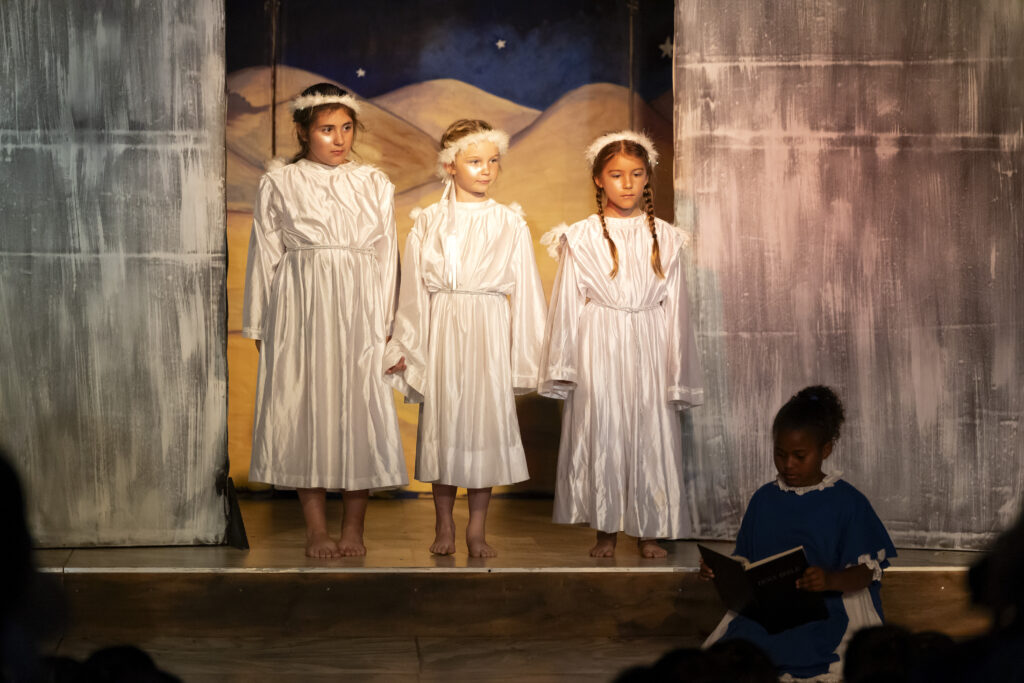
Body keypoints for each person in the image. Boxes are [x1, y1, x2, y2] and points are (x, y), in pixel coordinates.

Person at [242, 82, 407, 559]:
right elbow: (265, 256)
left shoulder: (373, 182)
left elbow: (386, 257)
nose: (339, 139)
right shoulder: (280, 182)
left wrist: (389, 325)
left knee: (360, 408)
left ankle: (354, 527)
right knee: (305, 408)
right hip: (301, 307)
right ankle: (316, 529)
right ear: (303, 131)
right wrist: (261, 326)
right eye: (327, 129)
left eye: (347, 128)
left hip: (360, 307)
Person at [383, 119, 546, 558]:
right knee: (445, 421)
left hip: (488, 329)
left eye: (493, 161)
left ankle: (477, 527)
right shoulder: (430, 221)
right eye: (475, 161)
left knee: (482, 424)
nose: (486, 169)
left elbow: (527, 291)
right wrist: (406, 343)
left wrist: (527, 352)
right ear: (449, 165)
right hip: (444, 328)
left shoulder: (508, 221)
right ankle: (444, 522)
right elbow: (414, 292)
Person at [538, 130, 703, 558]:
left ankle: (651, 530)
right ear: (599, 179)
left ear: (647, 177)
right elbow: (567, 303)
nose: (627, 184)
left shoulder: (667, 237)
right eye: (616, 175)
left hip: (650, 339)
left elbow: (677, 307)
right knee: (604, 427)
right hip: (600, 342)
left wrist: (677, 370)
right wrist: (563, 365)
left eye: (636, 174)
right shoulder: (580, 236)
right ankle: (606, 529)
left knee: (652, 429)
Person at [700, 385, 897, 681]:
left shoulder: (847, 502)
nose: (788, 464)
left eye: (799, 456)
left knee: (815, 655)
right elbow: (746, 560)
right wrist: (720, 571)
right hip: (771, 608)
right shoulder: (764, 499)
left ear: (825, 450)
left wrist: (829, 580)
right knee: (739, 656)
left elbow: (868, 571)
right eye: (780, 455)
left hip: (829, 605)